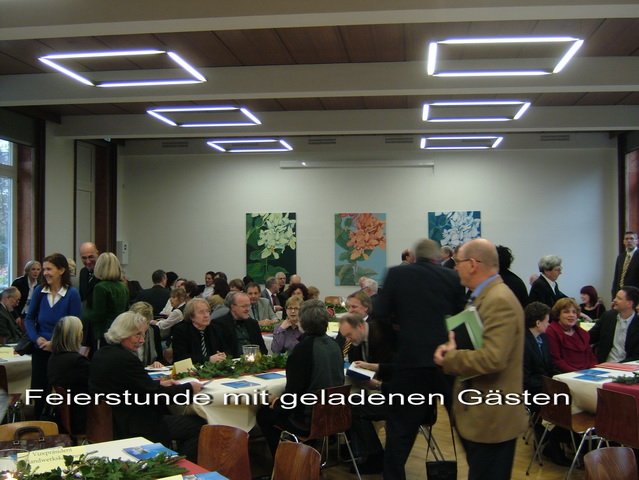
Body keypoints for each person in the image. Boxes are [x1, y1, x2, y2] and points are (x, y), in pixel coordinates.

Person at [434, 238, 528, 480]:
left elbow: (493, 358)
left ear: (473, 264)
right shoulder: (482, 296)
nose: (455, 267)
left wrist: (450, 358)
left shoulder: (498, 300)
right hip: (481, 415)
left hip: (492, 420)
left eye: (458, 262)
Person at [375, 238, 466, 480]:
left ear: (414, 257)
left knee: (400, 431)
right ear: (437, 257)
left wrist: (397, 344)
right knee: (463, 423)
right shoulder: (452, 277)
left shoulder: (397, 275)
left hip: (409, 362)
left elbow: (380, 314)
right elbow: (460, 319)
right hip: (444, 362)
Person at [89, 311, 205, 461]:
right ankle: (177, 465)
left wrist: (159, 383)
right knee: (199, 425)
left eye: (143, 334)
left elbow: (135, 385)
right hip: (134, 425)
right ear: (124, 333)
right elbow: (156, 396)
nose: (142, 340)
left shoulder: (102, 354)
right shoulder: (126, 359)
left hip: (110, 421)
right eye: (137, 335)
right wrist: (189, 388)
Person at [256, 299, 344, 457]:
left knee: (264, 413)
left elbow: (293, 393)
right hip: (335, 413)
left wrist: (278, 402)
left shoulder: (303, 350)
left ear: (302, 322)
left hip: (309, 418)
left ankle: (283, 461)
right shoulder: (334, 344)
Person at [25, 253, 82, 418]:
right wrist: (37, 338)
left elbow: (74, 325)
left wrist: (55, 343)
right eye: (44, 270)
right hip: (40, 349)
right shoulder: (39, 291)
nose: (45, 273)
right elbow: (29, 319)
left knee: (63, 394)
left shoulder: (72, 294)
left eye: (49, 269)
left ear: (61, 270)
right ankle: (38, 422)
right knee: (39, 391)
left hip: (62, 352)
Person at [339, 312, 396, 474]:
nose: (348, 340)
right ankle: (362, 452)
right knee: (350, 402)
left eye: (349, 335)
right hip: (378, 391)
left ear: (360, 327)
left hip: (399, 397)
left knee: (353, 408)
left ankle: (373, 456)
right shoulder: (358, 341)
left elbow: (398, 372)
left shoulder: (384, 337)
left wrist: (377, 382)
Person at [522, 302, 571, 466]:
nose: (549, 324)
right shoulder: (522, 342)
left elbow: (549, 366)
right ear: (538, 323)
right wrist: (549, 384)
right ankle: (552, 445)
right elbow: (524, 378)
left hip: (543, 386)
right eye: (547, 321)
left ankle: (566, 440)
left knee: (568, 397)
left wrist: (562, 377)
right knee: (560, 402)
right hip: (529, 390)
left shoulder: (542, 338)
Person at [47, 316, 89, 434]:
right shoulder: (78, 362)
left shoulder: (53, 357)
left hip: (62, 413)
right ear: (77, 336)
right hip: (79, 415)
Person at [83, 252, 129, 350]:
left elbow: (98, 314)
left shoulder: (100, 287)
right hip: (119, 331)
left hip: (103, 332)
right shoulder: (123, 287)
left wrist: (85, 313)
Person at [589, 286, 639, 363]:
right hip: (603, 365)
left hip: (628, 366)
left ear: (629, 303)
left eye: (619, 298)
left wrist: (619, 365)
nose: (614, 300)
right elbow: (590, 337)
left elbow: (636, 356)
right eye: (616, 297)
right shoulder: (608, 317)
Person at [545, 297, 596, 372]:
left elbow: (591, 358)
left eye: (574, 312)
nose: (571, 315)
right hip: (565, 374)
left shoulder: (582, 333)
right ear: (558, 315)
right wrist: (578, 374)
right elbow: (556, 361)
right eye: (566, 312)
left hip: (587, 373)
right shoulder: (551, 331)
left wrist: (595, 372)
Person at [171, 298, 226, 364]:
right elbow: (181, 358)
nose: (206, 315)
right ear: (191, 316)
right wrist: (208, 359)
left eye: (207, 311)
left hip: (214, 368)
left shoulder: (215, 328)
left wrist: (222, 355)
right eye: (201, 312)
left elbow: (225, 349)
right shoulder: (181, 331)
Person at [213, 292, 267, 357]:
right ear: (233, 307)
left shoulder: (253, 324)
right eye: (243, 306)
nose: (247, 309)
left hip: (255, 360)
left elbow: (263, 350)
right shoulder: (219, 325)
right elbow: (220, 351)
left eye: (249, 306)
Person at [129, 301, 164, 367]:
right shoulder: (126, 334)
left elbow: (160, 358)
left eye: (147, 323)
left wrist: (157, 363)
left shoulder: (154, 330)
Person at [612, 231, 639, 297]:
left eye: (632, 238)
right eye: (626, 239)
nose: (629, 241)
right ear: (623, 242)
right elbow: (616, 278)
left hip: (634, 295)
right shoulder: (620, 257)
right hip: (620, 294)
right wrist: (614, 295)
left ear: (637, 241)